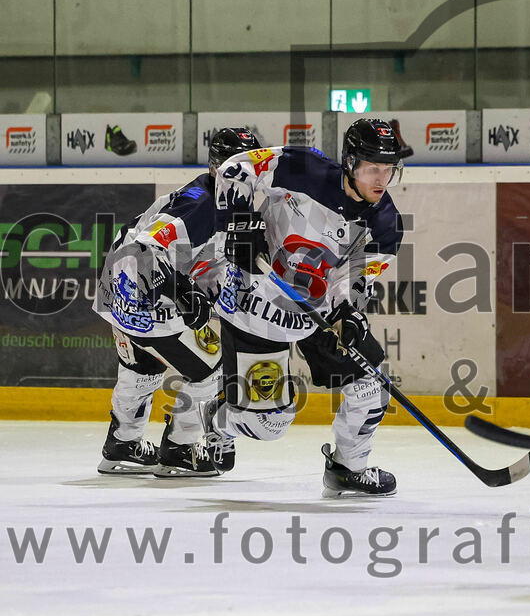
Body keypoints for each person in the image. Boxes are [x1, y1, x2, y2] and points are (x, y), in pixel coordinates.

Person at [205, 118, 405, 496]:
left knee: (371, 385)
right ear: (349, 162)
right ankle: (218, 417)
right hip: (255, 303)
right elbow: (236, 167)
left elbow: (358, 276)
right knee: (269, 427)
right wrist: (238, 222)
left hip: (316, 312)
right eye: (371, 168)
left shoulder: (385, 222)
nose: (381, 179)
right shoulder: (304, 166)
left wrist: (349, 312)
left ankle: (348, 468)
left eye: (388, 170)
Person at [93, 126, 262, 477]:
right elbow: (146, 248)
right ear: (216, 167)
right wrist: (184, 293)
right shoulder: (200, 203)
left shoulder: (226, 202)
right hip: (140, 284)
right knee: (212, 367)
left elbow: (204, 258)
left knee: (142, 367)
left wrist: (216, 294)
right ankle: (180, 449)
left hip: (119, 282)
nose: (243, 176)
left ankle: (123, 445)